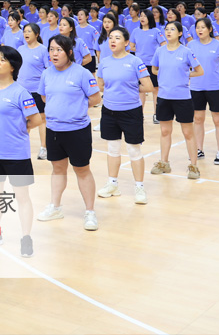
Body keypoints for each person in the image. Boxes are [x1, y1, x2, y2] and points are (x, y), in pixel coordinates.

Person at [0, 45, 41, 255]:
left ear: (13, 66)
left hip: (16, 154)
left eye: (2, 60)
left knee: (22, 197)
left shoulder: (21, 93)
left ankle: (26, 238)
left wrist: (20, 130)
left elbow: (36, 119)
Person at [36, 34, 101, 230]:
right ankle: (55, 207)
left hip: (77, 130)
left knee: (82, 169)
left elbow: (95, 98)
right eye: (51, 50)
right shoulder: (46, 74)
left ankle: (90, 212)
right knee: (57, 169)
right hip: (54, 129)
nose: (54, 54)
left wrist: (75, 107)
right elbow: (45, 97)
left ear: (69, 53)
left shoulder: (82, 73)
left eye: (59, 50)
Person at [95, 26, 153, 204]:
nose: (112, 40)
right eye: (111, 37)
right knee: (112, 149)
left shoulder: (135, 61)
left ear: (127, 42)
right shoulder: (104, 62)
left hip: (131, 112)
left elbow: (148, 86)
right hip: (109, 111)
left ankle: (139, 187)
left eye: (117, 38)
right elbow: (100, 85)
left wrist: (131, 88)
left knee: (134, 150)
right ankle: (113, 184)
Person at [149, 22, 203, 179]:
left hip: (182, 98)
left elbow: (199, 71)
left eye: (172, 29)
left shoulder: (186, 51)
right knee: (165, 131)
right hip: (164, 97)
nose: (168, 31)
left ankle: (194, 166)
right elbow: (154, 69)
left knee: (188, 133)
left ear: (180, 33)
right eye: (166, 29)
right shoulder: (160, 51)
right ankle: (164, 163)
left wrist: (185, 75)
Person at [187, 17, 219, 165]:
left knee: (218, 120)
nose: (199, 30)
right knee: (198, 119)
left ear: (210, 29)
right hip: (196, 87)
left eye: (203, 27)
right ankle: (199, 149)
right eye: (197, 27)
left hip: (215, 88)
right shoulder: (191, 45)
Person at [17, 23, 50, 159]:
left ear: (36, 34)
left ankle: (44, 148)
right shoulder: (20, 49)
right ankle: (21, 147)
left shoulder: (43, 50)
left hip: (37, 90)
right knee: (23, 119)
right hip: (22, 91)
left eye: (29, 31)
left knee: (41, 119)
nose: (26, 34)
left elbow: (49, 70)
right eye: (24, 31)